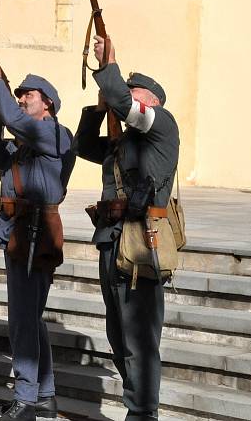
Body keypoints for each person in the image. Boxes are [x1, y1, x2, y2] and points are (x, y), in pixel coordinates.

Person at [74, 36, 179, 421]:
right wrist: (100, 108)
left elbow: (125, 104)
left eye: (132, 92)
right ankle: (138, 402)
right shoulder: (122, 143)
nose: (121, 96)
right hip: (112, 240)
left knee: (140, 338)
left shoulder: (161, 125)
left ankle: (142, 413)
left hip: (142, 242)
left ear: (149, 100)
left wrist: (107, 69)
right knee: (119, 336)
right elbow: (82, 144)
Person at [0, 57, 75, 421]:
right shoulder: (23, 141)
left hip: (35, 233)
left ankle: (26, 398)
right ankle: (44, 394)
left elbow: (16, 120)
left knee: (21, 318)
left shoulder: (54, 133)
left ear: (47, 102)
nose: (20, 99)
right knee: (30, 317)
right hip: (17, 230)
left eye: (27, 95)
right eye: (17, 95)